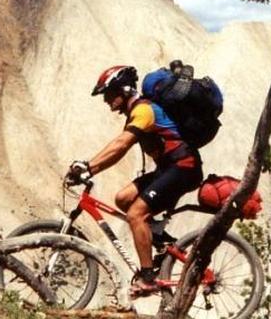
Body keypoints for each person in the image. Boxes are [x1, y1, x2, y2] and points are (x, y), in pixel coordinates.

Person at [67, 65, 204, 295]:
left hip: (183, 167)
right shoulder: (136, 112)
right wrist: (92, 169)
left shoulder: (144, 111)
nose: (106, 101)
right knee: (123, 198)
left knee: (135, 214)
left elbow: (121, 145)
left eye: (109, 94)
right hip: (170, 168)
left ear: (124, 90)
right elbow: (118, 151)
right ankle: (160, 240)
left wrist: (89, 167)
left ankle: (148, 277)